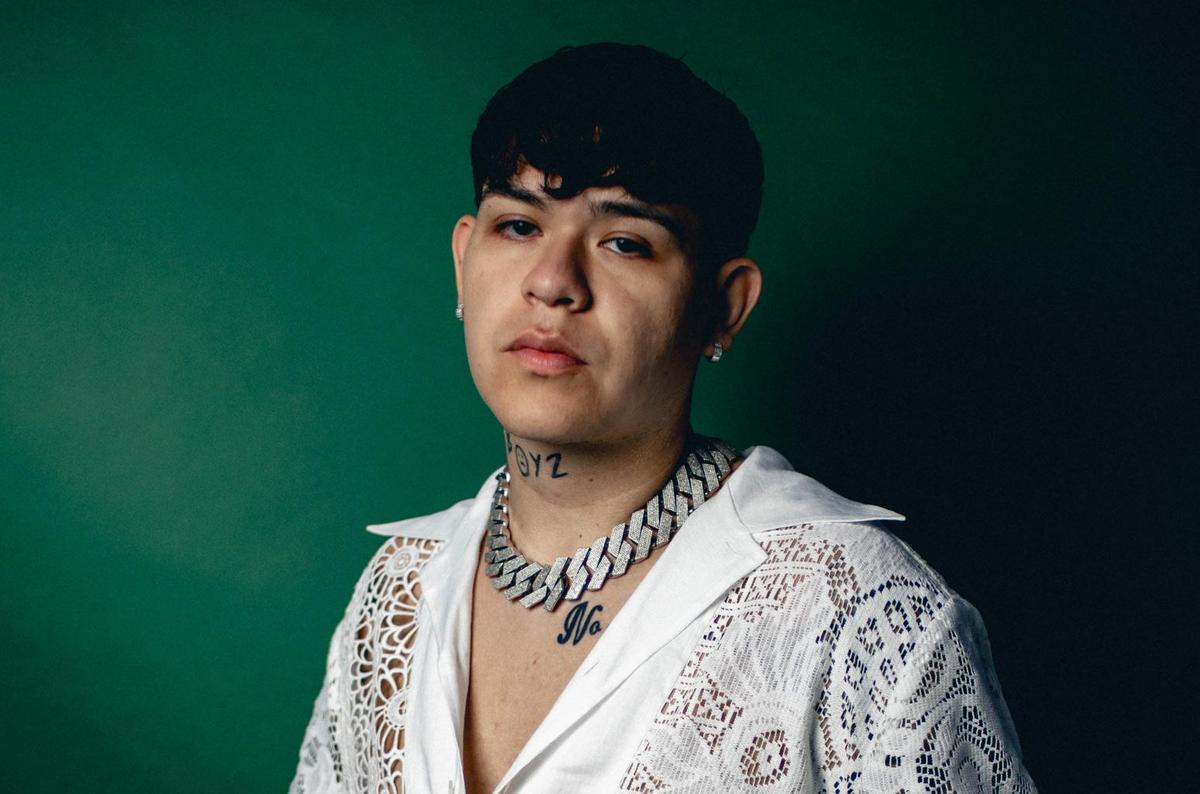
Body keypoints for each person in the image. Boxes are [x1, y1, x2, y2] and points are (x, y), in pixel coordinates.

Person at [289, 43, 1036, 793]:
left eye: (624, 242)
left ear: (725, 307)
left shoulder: (855, 612)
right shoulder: (401, 591)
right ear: (463, 261)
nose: (553, 283)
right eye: (518, 226)